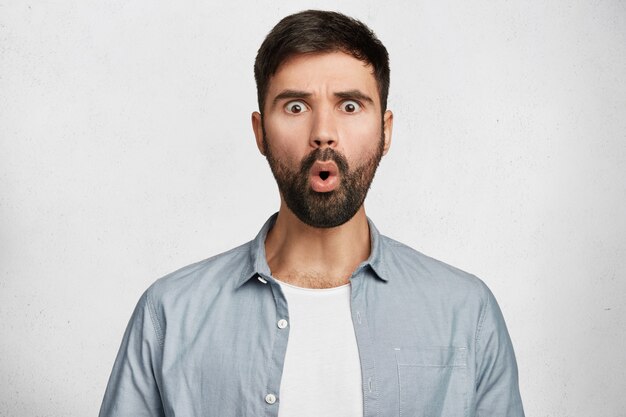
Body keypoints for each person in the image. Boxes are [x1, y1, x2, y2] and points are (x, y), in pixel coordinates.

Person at [99, 10, 525, 417]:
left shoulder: (466, 313)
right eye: (296, 107)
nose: (323, 132)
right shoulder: (170, 314)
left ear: (386, 131)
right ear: (260, 132)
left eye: (350, 105)